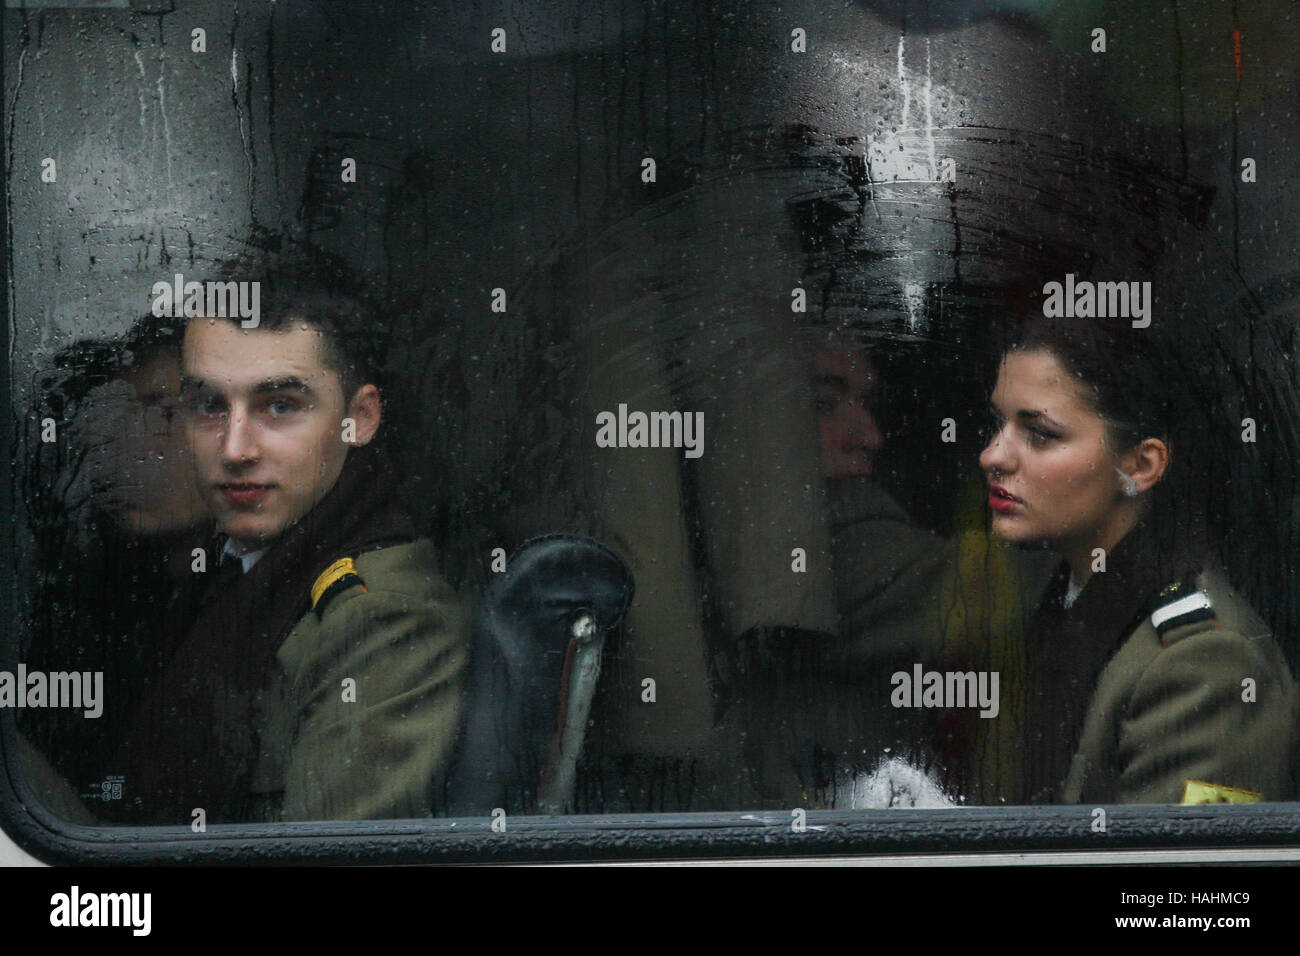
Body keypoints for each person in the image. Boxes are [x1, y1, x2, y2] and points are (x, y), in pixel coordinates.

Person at [104, 247, 468, 824]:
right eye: (208, 406)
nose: (235, 449)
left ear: (361, 418)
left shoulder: (381, 617)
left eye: (279, 405)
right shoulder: (226, 566)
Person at [979, 317, 1299, 804]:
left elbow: (1179, 880)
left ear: (1140, 466)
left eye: (1040, 433)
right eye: (997, 425)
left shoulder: (1202, 662)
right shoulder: (1061, 600)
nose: (992, 455)